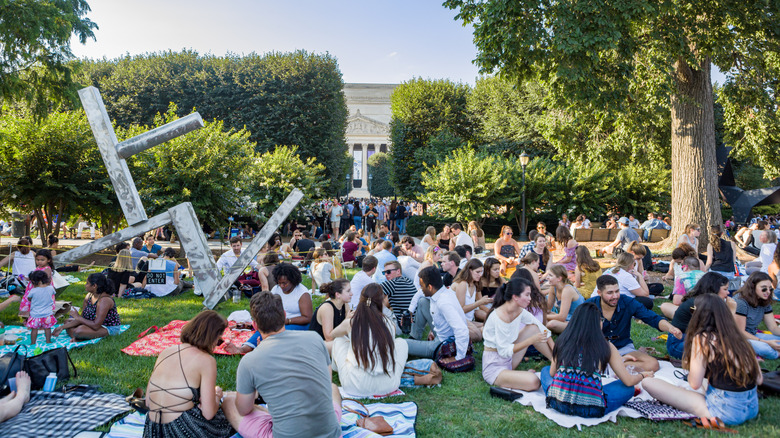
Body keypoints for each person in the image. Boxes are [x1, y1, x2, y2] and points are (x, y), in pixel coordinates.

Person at [222, 292, 342, 438]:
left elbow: (243, 410)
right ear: (284, 316)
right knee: (333, 388)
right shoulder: (315, 338)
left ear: (255, 325)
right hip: (331, 433)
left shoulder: (250, 361)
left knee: (229, 401)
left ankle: (270, 414)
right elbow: (326, 383)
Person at [643, 295, 761, 426]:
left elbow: (694, 384)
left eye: (693, 311)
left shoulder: (703, 339)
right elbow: (759, 379)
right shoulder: (739, 338)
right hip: (752, 408)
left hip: (724, 411)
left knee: (648, 383)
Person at [542, 303, 654, 418]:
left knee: (545, 371)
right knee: (628, 388)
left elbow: (552, 373)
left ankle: (563, 391)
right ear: (597, 323)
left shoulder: (563, 340)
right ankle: (590, 393)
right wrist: (642, 375)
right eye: (601, 319)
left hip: (558, 402)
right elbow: (629, 381)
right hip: (591, 408)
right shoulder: (605, 346)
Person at [143, 311, 233, 437]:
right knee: (226, 420)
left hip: (153, 429)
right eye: (218, 340)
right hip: (181, 429)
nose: (216, 345)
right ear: (212, 337)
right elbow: (208, 413)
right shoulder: (207, 361)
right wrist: (217, 396)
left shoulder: (165, 352)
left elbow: (148, 401)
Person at [586, 275, 682, 372]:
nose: (615, 296)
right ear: (599, 293)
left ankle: (612, 367)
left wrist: (670, 328)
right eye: (610, 293)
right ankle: (614, 367)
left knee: (652, 364)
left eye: (617, 291)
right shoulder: (588, 307)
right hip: (597, 351)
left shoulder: (627, 302)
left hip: (624, 348)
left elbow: (652, 318)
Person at [330, 283, 408, 397]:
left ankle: (339, 370)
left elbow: (333, 334)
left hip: (355, 386)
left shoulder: (352, 322)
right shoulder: (390, 324)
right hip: (388, 385)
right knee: (401, 342)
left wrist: (347, 321)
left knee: (339, 341)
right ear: (382, 301)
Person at [482, 278, 554, 391]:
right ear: (515, 297)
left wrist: (556, 354)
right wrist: (531, 340)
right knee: (534, 381)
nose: (530, 299)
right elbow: (504, 351)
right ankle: (516, 377)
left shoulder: (519, 310)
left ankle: (556, 364)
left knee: (534, 328)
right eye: (527, 295)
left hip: (509, 360)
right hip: (494, 368)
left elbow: (541, 328)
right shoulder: (499, 316)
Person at [405, 267, 470, 364]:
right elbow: (419, 295)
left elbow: (462, 330)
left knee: (400, 343)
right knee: (423, 302)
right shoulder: (442, 291)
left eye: (422, 286)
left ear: (430, 287)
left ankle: (414, 345)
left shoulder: (443, 302)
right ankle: (415, 338)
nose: (420, 289)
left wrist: (459, 357)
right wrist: (409, 311)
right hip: (441, 335)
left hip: (443, 344)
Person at [664, 272, 733, 359]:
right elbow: (721, 329)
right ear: (715, 288)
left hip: (695, 340)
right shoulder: (696, 303)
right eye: (725, 289)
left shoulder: (707, 302)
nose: (728, 293)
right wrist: (731, 310)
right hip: (678, 343)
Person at [53, 273, 122, 340]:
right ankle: (78, 336)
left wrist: (77, 317)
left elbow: (96, 326)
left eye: (87, 283)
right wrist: (62, 327)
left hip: (107, 327)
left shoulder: (104, 300)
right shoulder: (89, 295)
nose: (85, 285)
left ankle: (78, 336)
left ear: (94, 286)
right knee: (67, 322)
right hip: (92, 323)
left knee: (79, 331)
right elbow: (83, 318)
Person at [734, 272, 780, 359]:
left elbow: (773, 328)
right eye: (764, 289)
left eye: (770, 289)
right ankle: (775, 354)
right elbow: (740, 332)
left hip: (753, 335)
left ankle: (774, 351)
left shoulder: (764, 300)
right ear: (753, 287)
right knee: (765, 349)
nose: (768, 292)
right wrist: (767, 342)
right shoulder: (741, 302)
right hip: (738, 338)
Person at [452, 259, 491, 340]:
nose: (480, 275)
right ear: (470, 270)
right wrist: (479, 302)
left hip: (468, 320)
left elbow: (482, 301)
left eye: (481, 272)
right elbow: (461, 310)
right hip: (457, 319)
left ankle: (481, 331)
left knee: (490, 326)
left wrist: (494, 300)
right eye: (477, 272)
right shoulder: (462, 284)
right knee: (478, 336)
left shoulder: (475, 283)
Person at [309, 279, 352, 352]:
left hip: (332, 342)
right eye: (348, 291)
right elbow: (329, 338)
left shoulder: (345, 304)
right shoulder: (327, 308)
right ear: (338, 294)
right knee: (345, 346)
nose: (351, 294)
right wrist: (346, 321)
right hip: (317, 344)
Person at [270, 263, 312, 330]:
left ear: (293, 280)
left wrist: (288, 321)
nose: (281, 286)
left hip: (297, 325)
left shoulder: (303, 293)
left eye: (284, 283)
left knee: (277, 335)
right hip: (278, 323)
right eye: (279, 283)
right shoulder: (275, 289)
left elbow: (308, 318)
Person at [545, 265, 584, 334]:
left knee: (551, 324)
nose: (547, 277)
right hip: (566, 319)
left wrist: (542, 316)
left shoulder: (567, 290)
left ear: (559, 278)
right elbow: (548, 309)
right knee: (544, 319)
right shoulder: (553, 287)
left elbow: (562, 317)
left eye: (550, 275)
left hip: (578, 321)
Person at [18, 248, 54, 318]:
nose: (39, 262)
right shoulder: (38, 268)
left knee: (37, 304)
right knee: (30, 303)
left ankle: (37, 319)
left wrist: (38, 285)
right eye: (37, 260)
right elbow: (33, 278)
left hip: (40, 291)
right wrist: (25, 278)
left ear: (48, 260)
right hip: (33, 289)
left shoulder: (47, 269)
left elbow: (47, 281)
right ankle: (29, 318)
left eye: (42, 260)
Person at [25, 270, 56, 344]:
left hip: (35, 315)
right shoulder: (51, 288)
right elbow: (54, 293)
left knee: (34, 330)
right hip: (47, 314)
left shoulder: (33, 291)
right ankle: (48, 341)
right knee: (47, 329)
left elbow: (29, 298)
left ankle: (33, 342)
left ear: (35, 281)